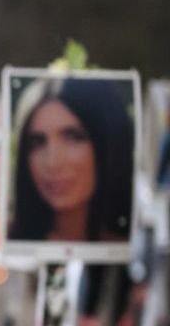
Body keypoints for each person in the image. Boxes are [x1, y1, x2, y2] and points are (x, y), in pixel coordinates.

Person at [8, 77, 134, 242]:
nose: (52, 163)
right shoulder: (8, 239)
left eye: (73, 137)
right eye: (37, 142)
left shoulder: (130, 247)